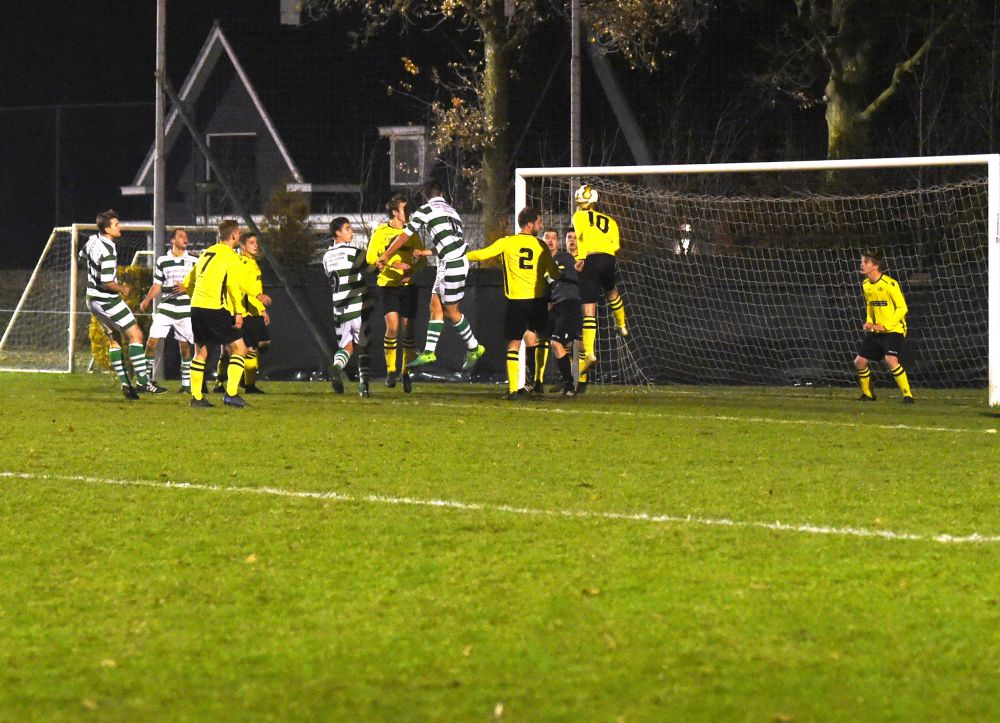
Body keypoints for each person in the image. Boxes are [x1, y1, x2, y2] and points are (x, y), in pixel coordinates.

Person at [375, 178, 484, 371]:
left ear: (426, 196)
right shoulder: (452, 212)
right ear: (442, 194)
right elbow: (448, 243)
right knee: (435, 305)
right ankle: (429, 352)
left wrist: (386, 255)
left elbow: (404, 235)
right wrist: (425, 252)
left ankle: (475, 347)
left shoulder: (426, 210)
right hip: (451, 262)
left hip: (452, 263)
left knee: (451, 312)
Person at [467, 207, 556, 399]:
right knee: (540, 338)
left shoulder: (507, 242)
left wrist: (459, 256)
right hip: (538, 299)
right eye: (539, 222)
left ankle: (514, 389)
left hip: (517, 300)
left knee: (514, 344)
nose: (540, 226)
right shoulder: (541, 245)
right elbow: (554, 273)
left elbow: (482, 255)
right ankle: (538, 382)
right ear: (529, 224)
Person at [80, 209, 155, 400]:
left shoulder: (92, 240)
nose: (119, 227)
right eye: (116, 225)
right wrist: (123, 289)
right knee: (136, 335)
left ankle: (125, 384)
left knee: (114, 339)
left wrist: (94, 272)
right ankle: (143, 382)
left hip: (92, 298)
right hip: (107, 299)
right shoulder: (108, 250)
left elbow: (82, 257)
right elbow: (107, 282)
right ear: (107, 229)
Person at [182, 219, 252, 409]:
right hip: (214, 307)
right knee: (240, 349)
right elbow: (232, 286)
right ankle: (231, 394)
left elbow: (188, 283)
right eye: (239, 233)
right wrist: (238, 312)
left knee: (201, 352)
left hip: (196, 306)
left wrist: (196, 300)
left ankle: (196, 398)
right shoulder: (230, 256)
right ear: (234, 235)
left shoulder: (206, 253)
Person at [572, 185, 628, 394]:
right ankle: (622, 324)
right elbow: (616, 246)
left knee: (589, 309)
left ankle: (589, 352)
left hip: (592, 259)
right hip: (609, 259)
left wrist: (581, 258)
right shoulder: (610, 221)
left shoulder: (578, 216)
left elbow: (580, 238)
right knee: (612, 291)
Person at [366, 194, 423, 393]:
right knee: (392, 327)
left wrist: (412, 267)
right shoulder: (381, 232)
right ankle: (391, 370)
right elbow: (371, 257)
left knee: (408, 330)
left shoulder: (412, 233)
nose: (408, 212)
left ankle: (405, 372)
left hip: (408, 286)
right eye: (404, 209)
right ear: (395, 212)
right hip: (388, 285)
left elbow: (422, 260)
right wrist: (394, 264)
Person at [138, 228, 196, 393]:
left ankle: (186, 385)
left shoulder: (194, 261)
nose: (185, 238)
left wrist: (186, 288)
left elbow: (199, 284)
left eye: (186, 236)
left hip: (185, 308)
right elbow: (157, 285)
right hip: (166, 307)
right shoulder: (163, 260)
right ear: (172, 240)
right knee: (151, 342)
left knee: (185, 346)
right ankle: (146, 382)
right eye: (181, 236)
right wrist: (147, 300)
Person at [853, 249, 914, 403]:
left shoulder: (890, 284)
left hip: (894, 329)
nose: (861, 265)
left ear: (875, 266)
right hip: (877, 330)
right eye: (862, 262)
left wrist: (886, 326)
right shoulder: (866, 284)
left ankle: (908, 396)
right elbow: (870, 305)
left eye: (865, 262)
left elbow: (902, 308)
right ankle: (868, 394)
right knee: (859, 362)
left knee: (891, 359)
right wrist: (869, 321)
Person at [323, 217, 375, 397]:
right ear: (337, 233)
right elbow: (372, 269)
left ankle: (336, 367)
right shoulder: (353, 252)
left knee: (346, 345)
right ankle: (364, 385)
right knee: (362, 345)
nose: (351, 231)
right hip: (356, 303)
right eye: (347, 228)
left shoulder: (326, 256)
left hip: (338, 306)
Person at [544, 229, 583, 397]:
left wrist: (560, 274)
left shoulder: (565, 258)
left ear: (558, 242)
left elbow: (575, 277)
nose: (550, 240)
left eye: (554, 238)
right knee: (536, 336)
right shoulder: (542, 262)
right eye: (547, 237)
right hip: (556, 307)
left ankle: (570, 384)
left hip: (569, 304)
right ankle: (536, 381)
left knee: (557, 342)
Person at [236, 231, 272, 393]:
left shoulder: (253, 262)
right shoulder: (241, 262)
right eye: (251, 243)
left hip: (256, 311)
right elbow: (241, 285)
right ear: (242, 246)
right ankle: (248, 385)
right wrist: (258, 296)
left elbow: (257, 287)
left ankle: (244, 379)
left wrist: (262, 310)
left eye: (256, 242)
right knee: (250, 350)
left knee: (263, 343)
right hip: (245, 313)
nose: (256, 245)